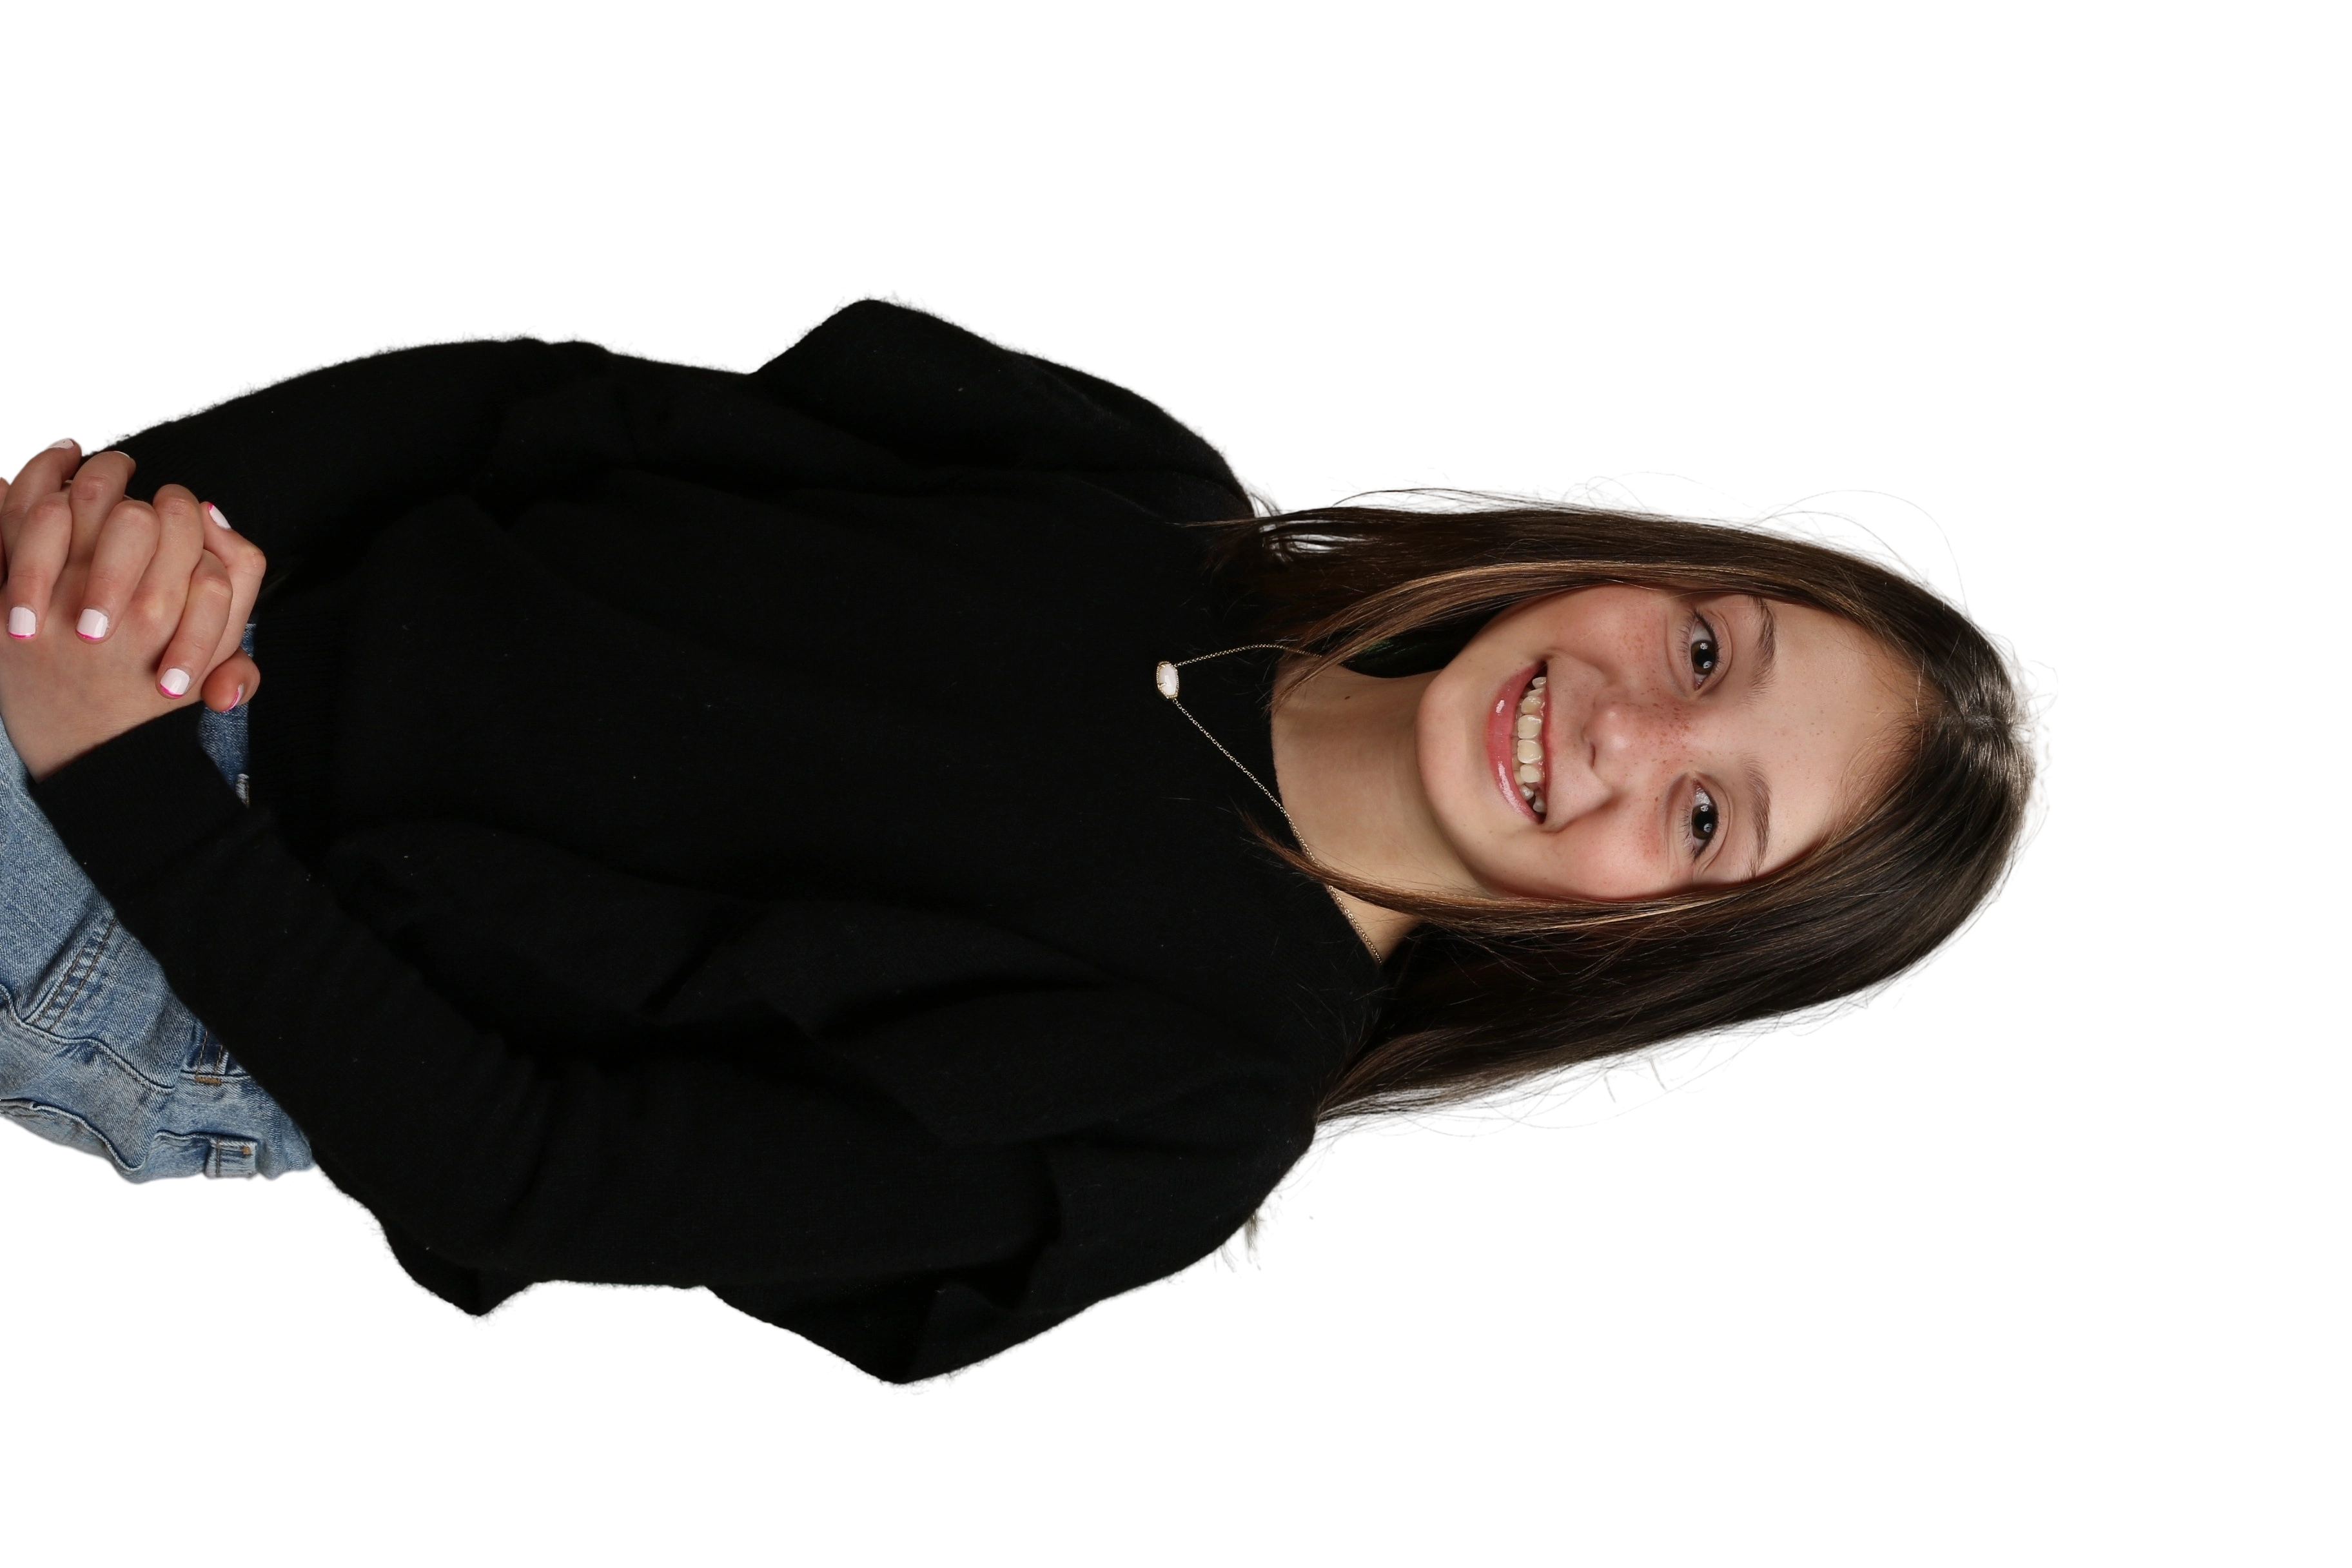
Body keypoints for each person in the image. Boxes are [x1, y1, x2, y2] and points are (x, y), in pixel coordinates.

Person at [0, 288, 2055, 1393]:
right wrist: (150, 525)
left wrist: (116, 763)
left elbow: (521, 1166)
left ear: (1655, 947)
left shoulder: (1183, 1104)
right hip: (178, 623)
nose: (1627, 729)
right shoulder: (1145, 498)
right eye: (1705, 649)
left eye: (1706, 814)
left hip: (156, 914)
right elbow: (554, 407)